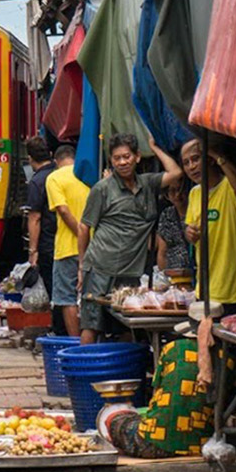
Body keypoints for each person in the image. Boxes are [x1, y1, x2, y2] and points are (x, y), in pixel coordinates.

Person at [76, 133, 184, 344]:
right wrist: (82, 266)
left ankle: (122, 374)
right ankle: (83, 374)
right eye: (117, 158)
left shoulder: (148, 184)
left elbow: (176, 172)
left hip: (131, 272)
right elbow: (83, 227)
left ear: (137, 157)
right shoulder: (103, 189)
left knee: (127, 326)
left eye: (126, 156)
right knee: (91, 325)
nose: (122, 162)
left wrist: (155, 149)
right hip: (100, 268)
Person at [181, 138, 236, 314]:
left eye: (196, 159)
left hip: (232, 290)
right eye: (186, 163)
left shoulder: (229, 187)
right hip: (204, 289)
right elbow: (190, 228)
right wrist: (189, 233)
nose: (191, 167)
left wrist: (217, 155)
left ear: (210, 159)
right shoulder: (195, 193)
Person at [46, 144, 90, 337]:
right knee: (91, 297)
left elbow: (63, 210)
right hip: (93, 247)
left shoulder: (54, 177)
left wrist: (80, 234)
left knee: (67, 299)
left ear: (56, 161)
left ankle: (75, 344)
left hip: (66, 248)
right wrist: (87, 238)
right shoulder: (88, 174)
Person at [23, 137, 58, 320]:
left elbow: (35, 217)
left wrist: (33, 250)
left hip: (47, 242)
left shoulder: (37, 181)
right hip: (65, 240)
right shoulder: (59, 174)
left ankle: (58, 327)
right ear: (50, 154)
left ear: (30, 159)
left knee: (53, 288)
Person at [155, 172, 193, 280]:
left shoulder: (197, 210)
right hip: (174, 276)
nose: (177, 195)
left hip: (196, 273)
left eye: (180, 190)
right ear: (167, 195)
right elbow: (162, 252)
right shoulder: (167, 215)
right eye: (172, 191)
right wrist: (164, 277)